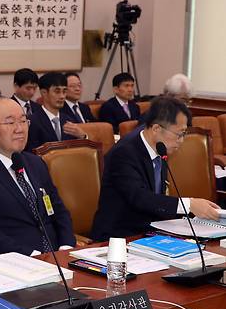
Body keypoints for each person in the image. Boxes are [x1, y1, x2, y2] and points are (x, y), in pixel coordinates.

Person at [0, 96, 76, 257]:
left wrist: (66, 245)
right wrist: (30, 255)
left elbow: (58, 208)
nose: (20, 129)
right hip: (16, 262)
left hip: (56, 256)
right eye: (10, 123)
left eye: (23, 121)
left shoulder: (35, 162)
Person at [91, 96, 221, 241]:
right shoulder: (124, 153)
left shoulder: (160, 146)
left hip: (150, 231)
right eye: (179, 134)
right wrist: (189, 205)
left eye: (184, 134)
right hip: (118, 237)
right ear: (156, 128)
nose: (181, 141)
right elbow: (139, 197)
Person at [25, 72, 87, 152]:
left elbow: (80, 152)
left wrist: (83, 137)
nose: (62, 96)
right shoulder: (32, 122)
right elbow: (31, 153)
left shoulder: (68, 120)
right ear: (44, 93)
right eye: (57, 92)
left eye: (64, 91)